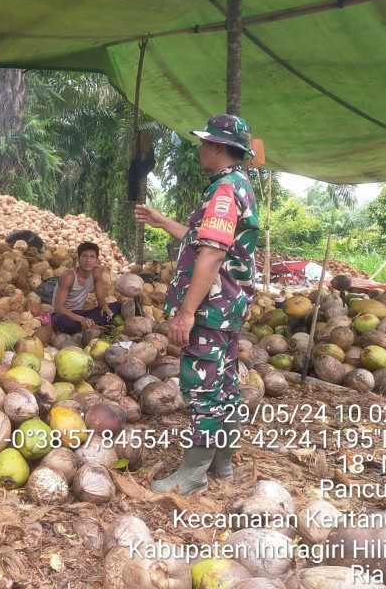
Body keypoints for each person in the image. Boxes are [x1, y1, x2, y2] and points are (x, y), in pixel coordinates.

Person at [135, 114, 259, 496]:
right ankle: (222, 465)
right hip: (229, 309)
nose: (200, 148)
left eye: (205, 143)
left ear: (219, 147)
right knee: (224, 386)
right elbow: (199, 238)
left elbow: (211, 256)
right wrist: (162, 222)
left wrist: (187, 312)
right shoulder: (239, 184)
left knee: (204, 390)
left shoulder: (223, 191)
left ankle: (192, 474)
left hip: (211, 310)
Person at [51, 242, 122, 332]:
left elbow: (100, 299)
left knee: (117, 306)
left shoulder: (96, 272)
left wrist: (104, 306)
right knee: (63, 321)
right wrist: (81, 320)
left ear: (96, 261)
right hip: (64, 314)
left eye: (92, 257)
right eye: (85, 256)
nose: (88, 260)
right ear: (78, 260)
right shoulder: (69, 276)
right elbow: (58, 308)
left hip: (81, 313)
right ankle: (93, 325)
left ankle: (87, 325)